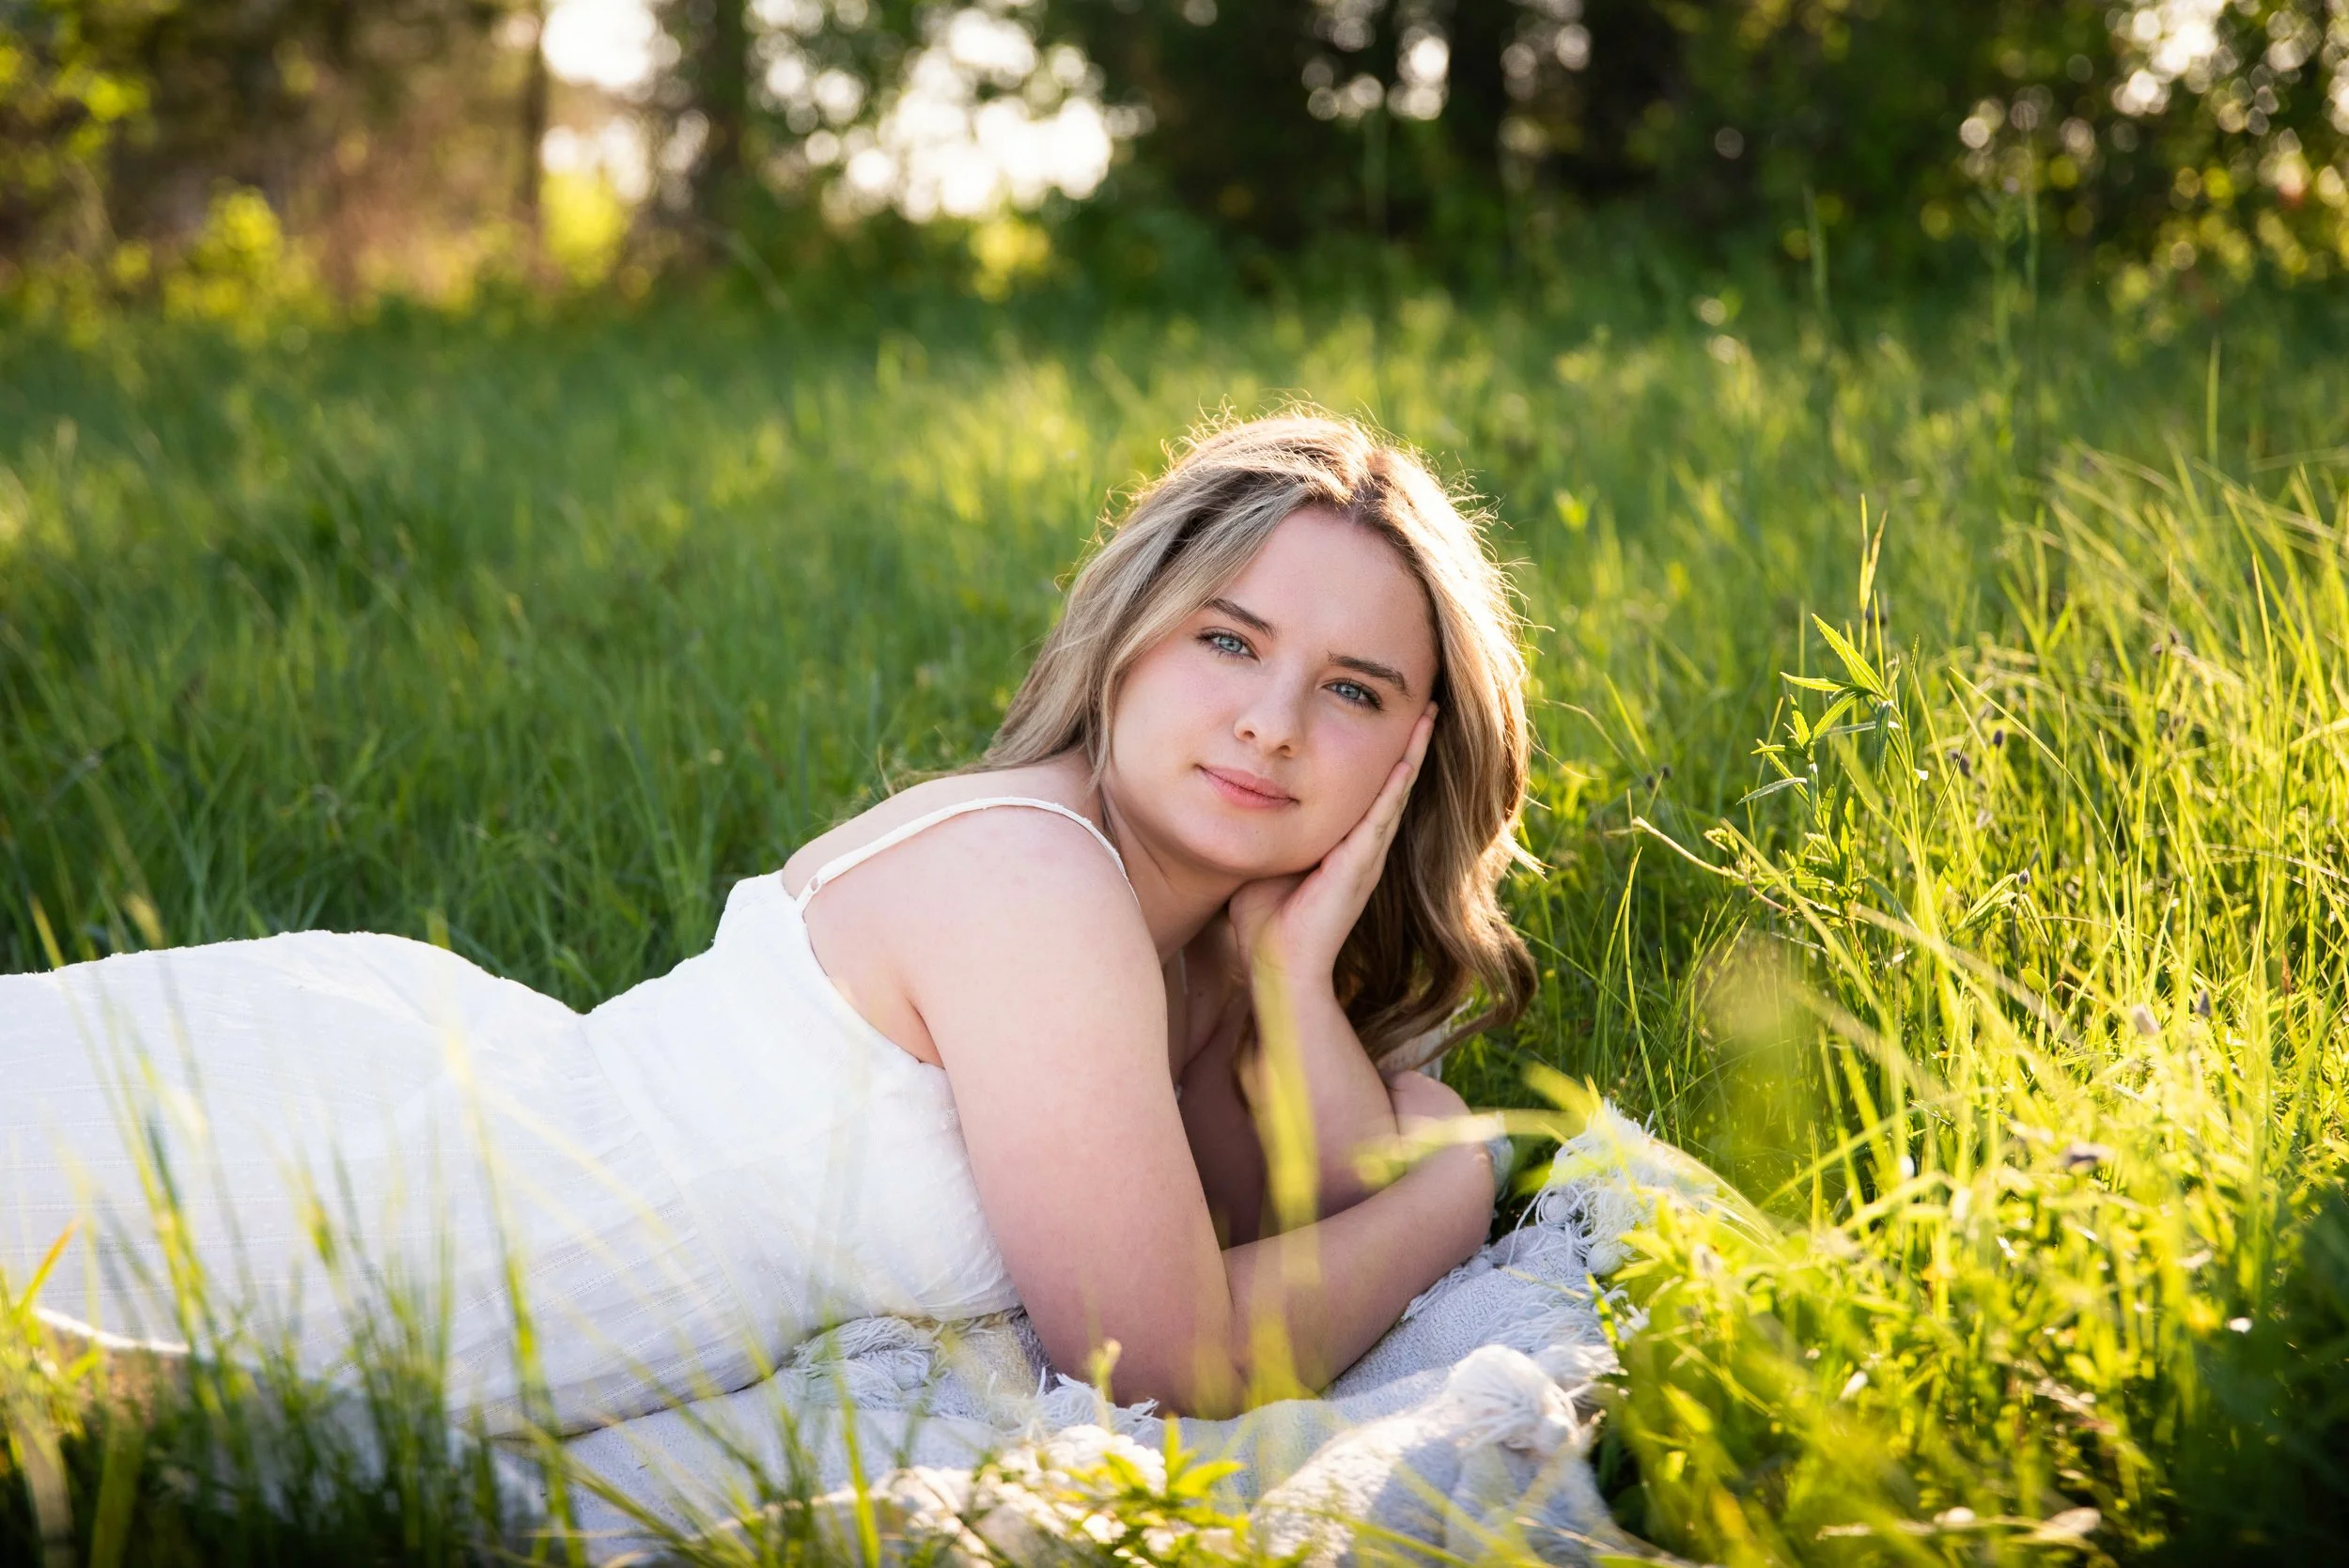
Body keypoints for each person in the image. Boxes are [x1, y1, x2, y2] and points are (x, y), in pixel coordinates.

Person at [0, 411, 1536, 1434]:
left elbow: (1300, 1209)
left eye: (1351, 691)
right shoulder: (1035, 881)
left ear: (1415, 755)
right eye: (1229, 639)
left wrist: (1284, 973)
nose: (1272, 724)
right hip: (357, 1191)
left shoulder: (1194, 950)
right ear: (1127, 642)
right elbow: (1167, 1357)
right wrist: (1459, 1194)